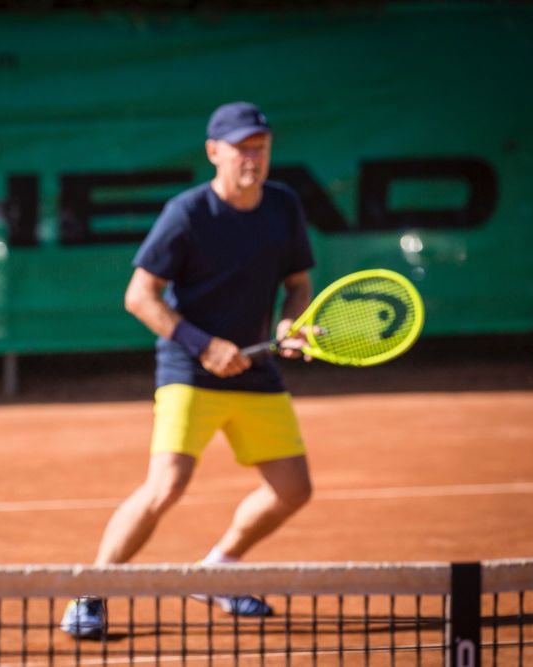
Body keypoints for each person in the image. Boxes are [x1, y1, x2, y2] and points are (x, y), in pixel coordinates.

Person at [61, 102, 315, 638]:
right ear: (214, 152)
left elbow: (297, 282)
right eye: (243, 147)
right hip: (189, 370)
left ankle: (218, 569)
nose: (253, 157)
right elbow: (140, 296)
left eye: (261, 147)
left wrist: (290, 325)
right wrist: (203, 345)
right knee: (166, 486)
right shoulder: (187, 213)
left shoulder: (283, 206)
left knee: (293, 489)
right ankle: (91, 594)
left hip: (256, 370)